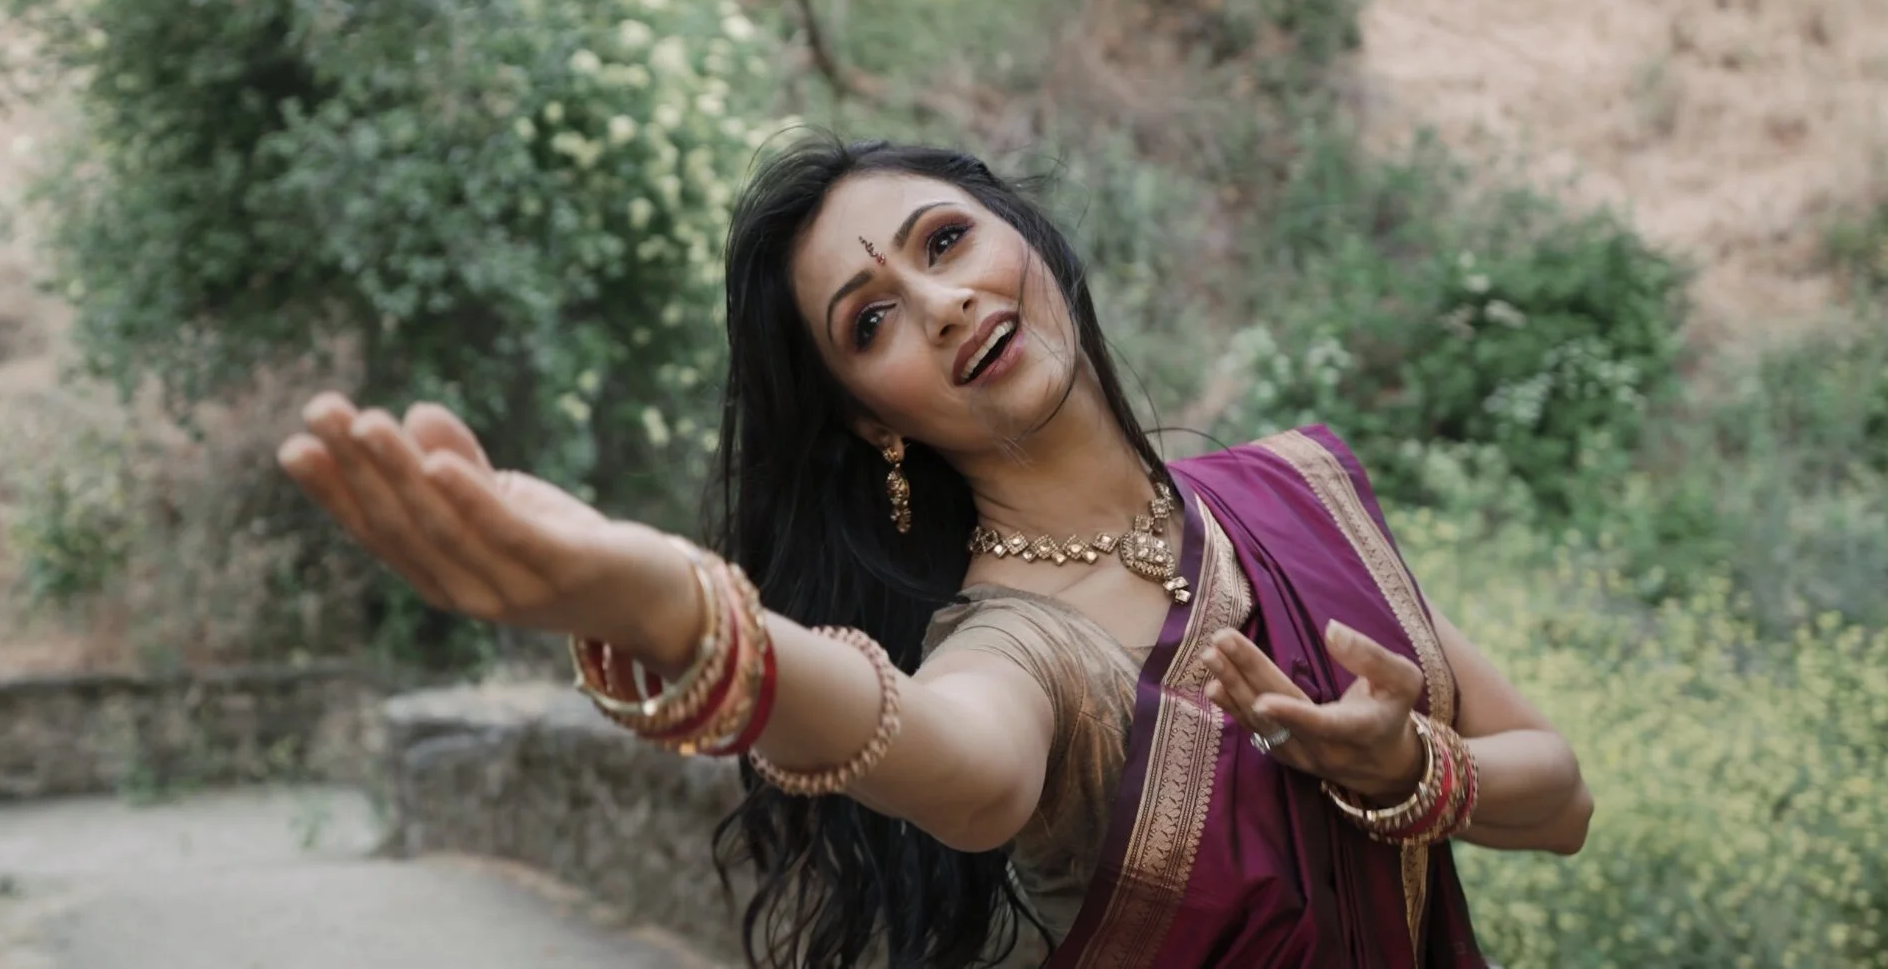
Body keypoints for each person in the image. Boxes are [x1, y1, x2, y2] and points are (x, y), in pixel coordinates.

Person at [277, 137, 1593, 969]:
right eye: (871, 319)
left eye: (945, 240)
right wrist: (670, 610)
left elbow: (1563, 798)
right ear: (869, 417)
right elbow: (941, 754)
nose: (943, 299)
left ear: (1025, 237)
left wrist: (1415, 767)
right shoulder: (1018, 646)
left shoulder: (1288, 494)